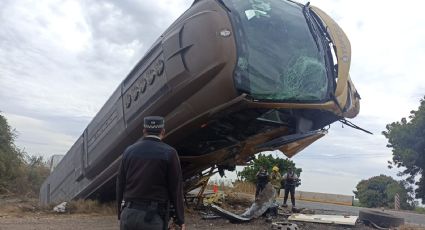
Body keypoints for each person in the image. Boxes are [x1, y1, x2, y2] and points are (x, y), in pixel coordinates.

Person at [116, 116, 185, 230]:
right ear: (163, 131)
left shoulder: (129, 151)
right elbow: (176, 188)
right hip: (152, 218)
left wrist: (120, 211)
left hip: (128, 215)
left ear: (144, 131)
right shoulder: (169, 153)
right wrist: (180, 219)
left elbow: (120, 183)